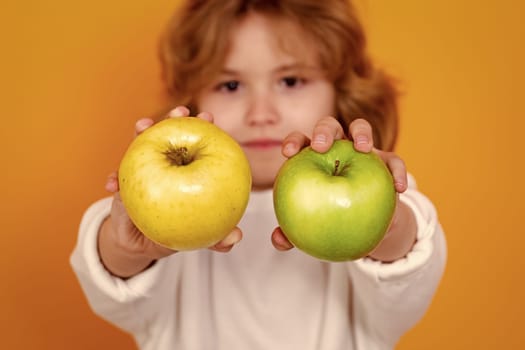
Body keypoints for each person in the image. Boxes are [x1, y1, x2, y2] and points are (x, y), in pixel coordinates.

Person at [70, 1, 447, 349]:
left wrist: (386, 218)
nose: (260, 113)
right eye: (230, 85)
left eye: (291, 81)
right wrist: (127, 246)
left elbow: (407, 289)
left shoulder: (377, 203)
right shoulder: (164, 220)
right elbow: (116, 296)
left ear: (340, 93)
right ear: (195, 101)